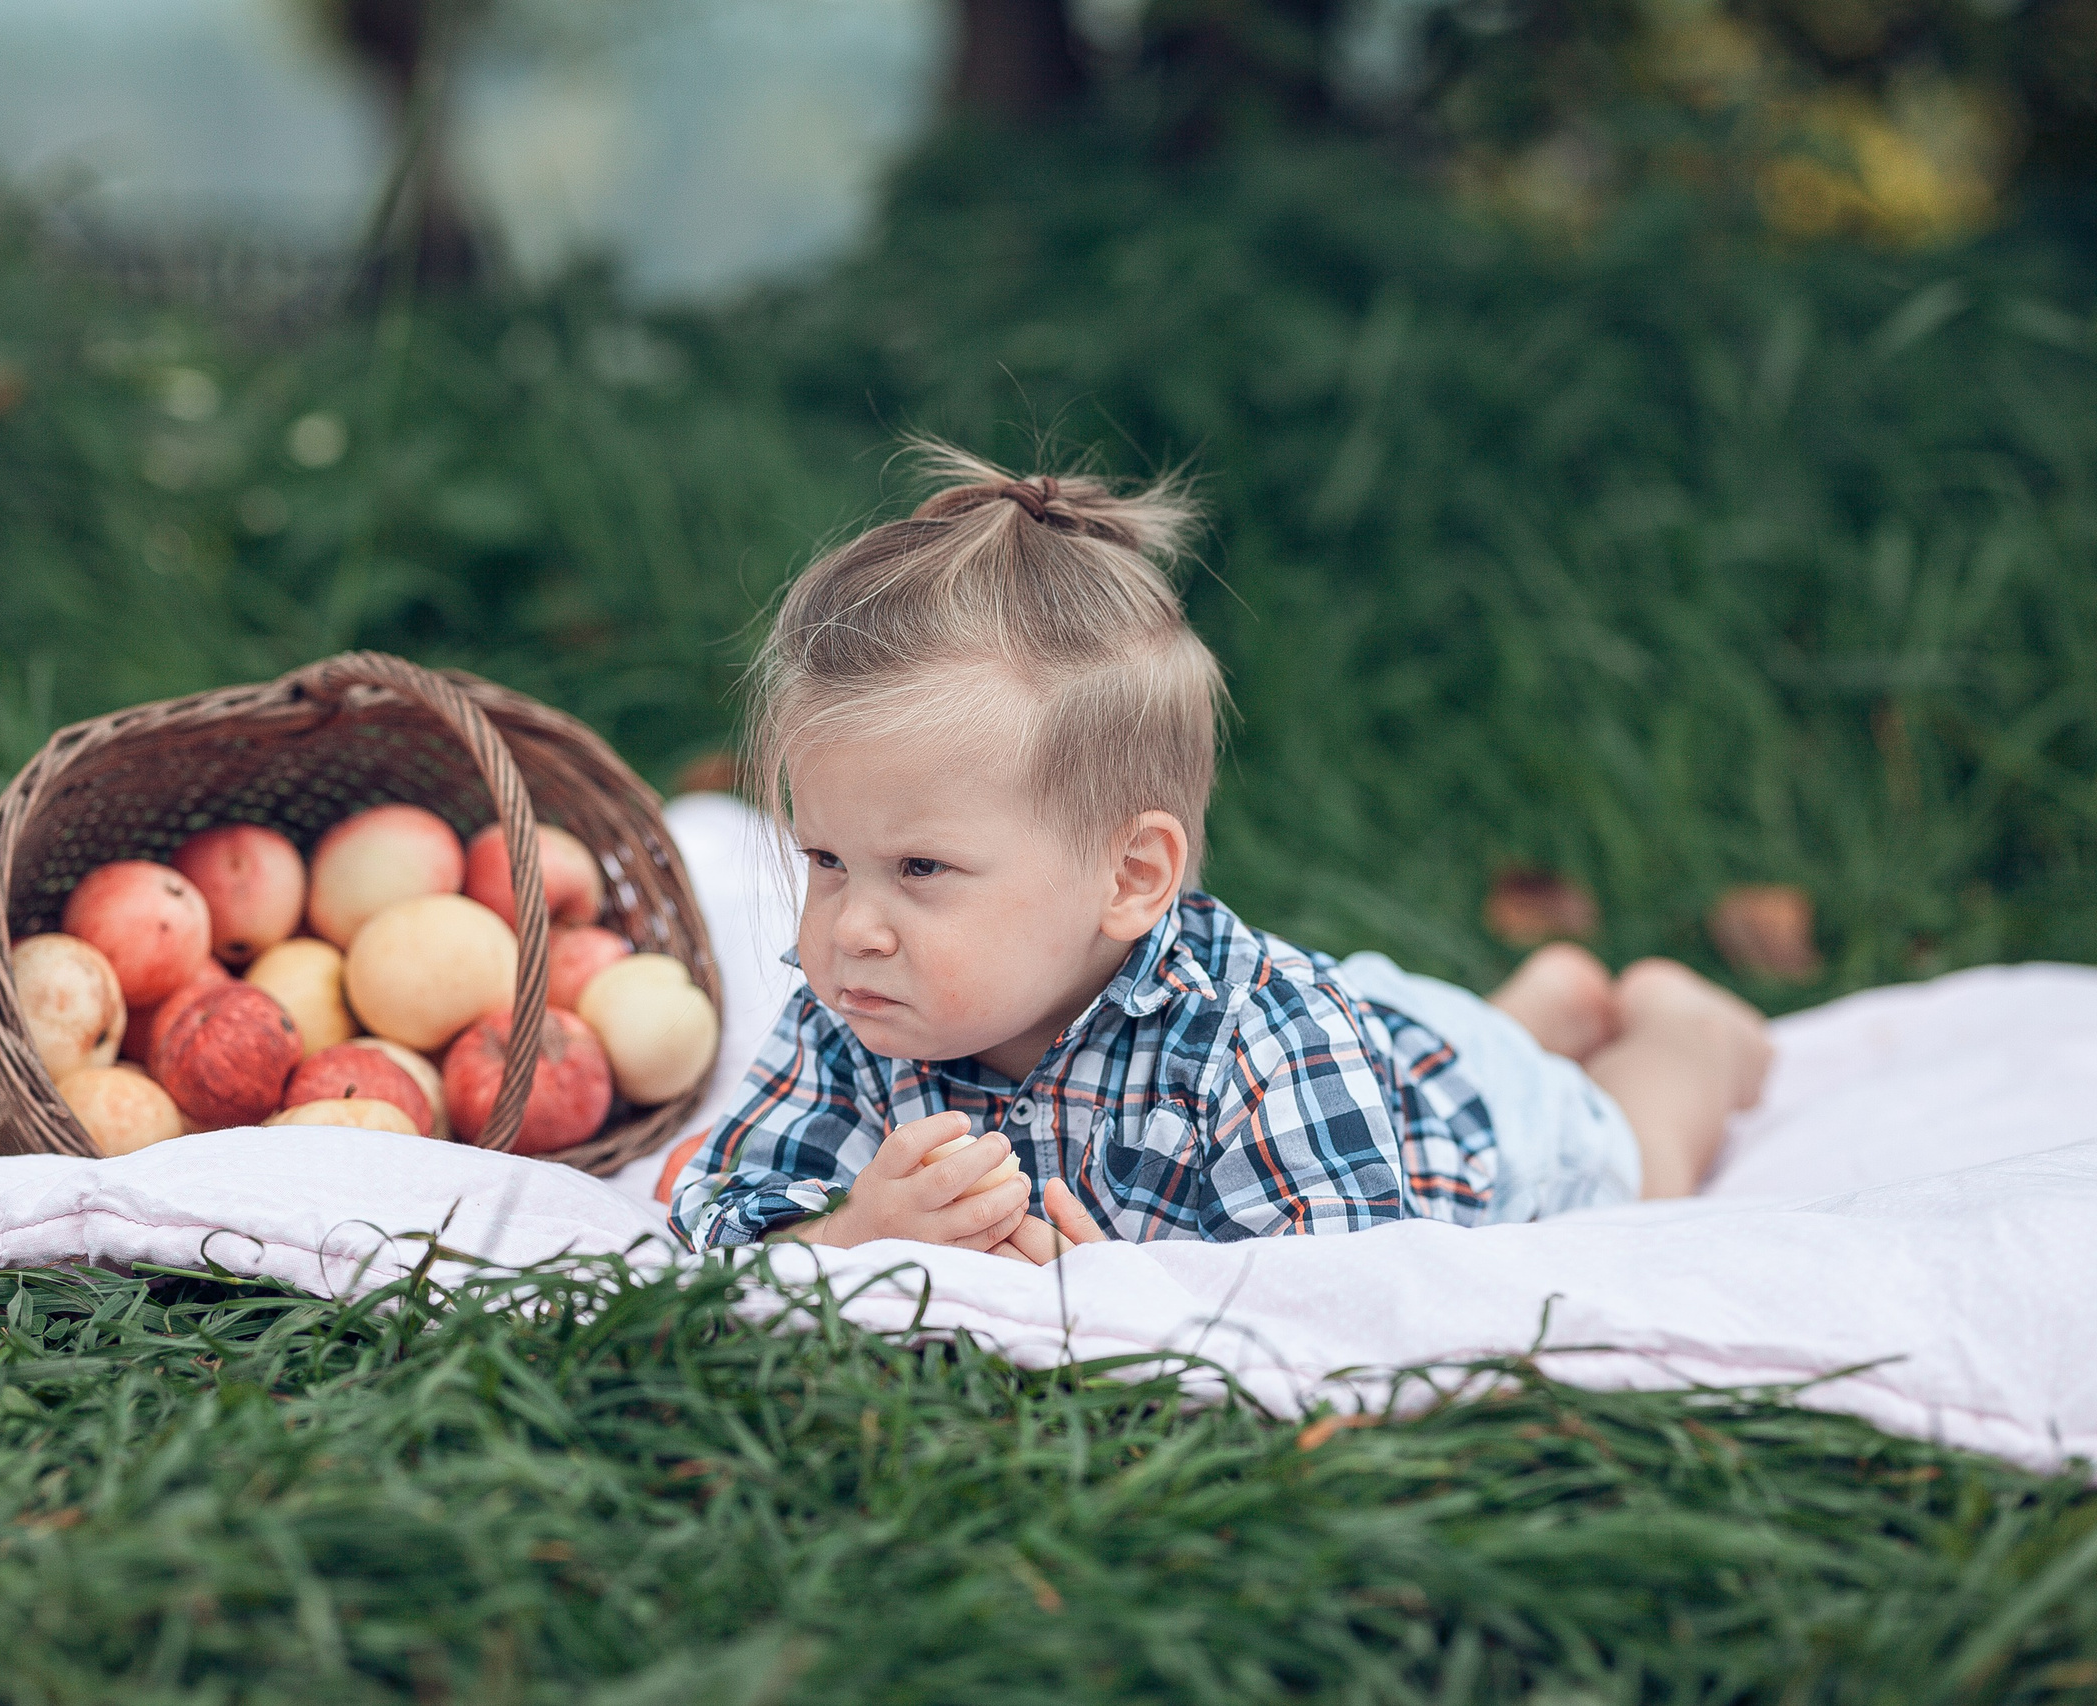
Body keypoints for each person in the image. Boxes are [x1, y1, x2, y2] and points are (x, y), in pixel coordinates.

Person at [667, 444, 1772, 1263]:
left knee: (1639, 1158)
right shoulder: (862, 1003)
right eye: (824, 859)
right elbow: (717, 1203)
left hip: (1460, 1132)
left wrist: (1118, 1297)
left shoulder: (1261, 1043)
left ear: (1130, 878)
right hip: (1381, 1037)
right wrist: (848, 1233)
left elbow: (1344, 1290)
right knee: (1430, 1038)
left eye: (920, 870)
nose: (851, 925)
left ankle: (1682, 1028)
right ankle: (1537, 1004)